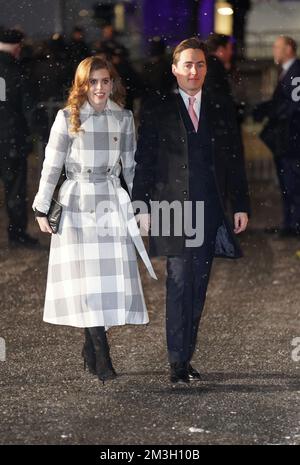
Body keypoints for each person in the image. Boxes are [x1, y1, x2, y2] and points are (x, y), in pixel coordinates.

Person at [33, 56, 157, 384]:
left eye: (105, 81)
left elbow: (132, 167)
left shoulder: (124, 118)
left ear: (113, 83)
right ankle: (101, 352)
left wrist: (141, 207)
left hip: (111, 202)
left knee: (107, 282)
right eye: (93, 82)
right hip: (76, 203)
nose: (100, 88)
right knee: (86, 282)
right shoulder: (67, 118)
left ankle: (92, 345)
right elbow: (51, 164)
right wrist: (41, 207)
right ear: (82, 85)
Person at [132, 38, 249, 384]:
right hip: (171, 208)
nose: (193, 71)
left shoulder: (221, 107)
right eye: (187, 64)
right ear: (175, 69)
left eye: (199, 64)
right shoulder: (158, 108)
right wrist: (142, 206)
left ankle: (185, 356)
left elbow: (234, 159)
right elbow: (145, 162)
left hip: (209, 209)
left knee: (198, 287)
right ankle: (176, 362)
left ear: (206, 68)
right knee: (179, 284)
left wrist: (240, 204)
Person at [253, 36, 300, 236]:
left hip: (291, 140)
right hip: (287, 139)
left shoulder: (295, 72)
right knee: (287, 183)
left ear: (289, 48)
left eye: (277, 47)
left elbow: (294, 106)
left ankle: (293, 225)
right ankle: (290, 223)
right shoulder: (288, 72)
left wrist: (270, 112)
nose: (274, 51)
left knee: (292, 183)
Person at [0, 28, 38, 247]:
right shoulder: (16, 71)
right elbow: (29, 108)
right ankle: (16, 233)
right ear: (16, 48)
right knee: (15, 189)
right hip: (11, 139)